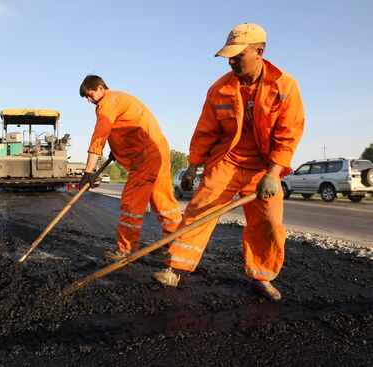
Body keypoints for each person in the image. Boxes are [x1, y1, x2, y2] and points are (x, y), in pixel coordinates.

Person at [152, 23, 305, 301]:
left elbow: (289, 134)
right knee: (199, 211)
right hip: (227, 162)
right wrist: (193, 165)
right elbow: (205, 131)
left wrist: (273, 173)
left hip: (262, 168)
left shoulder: (284, 86)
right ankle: (174, 268)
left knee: (269, 223)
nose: (231, 61)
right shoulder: (219, 89)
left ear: (259, 52)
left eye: (237, 55)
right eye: (229, 56)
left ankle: (262, 277)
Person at [79, 75, 182, 261]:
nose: (88, 100)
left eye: (89, 94)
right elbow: (126, 128)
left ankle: (125, 250)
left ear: (101, 88)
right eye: (85, 97)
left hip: (145, 155)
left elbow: (98, 138)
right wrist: (116, 151)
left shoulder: (107, 103)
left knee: (131, 202)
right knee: (162, 200)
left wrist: (88, 172)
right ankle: (174, 243)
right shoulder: (121, 98)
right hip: (159, 149)